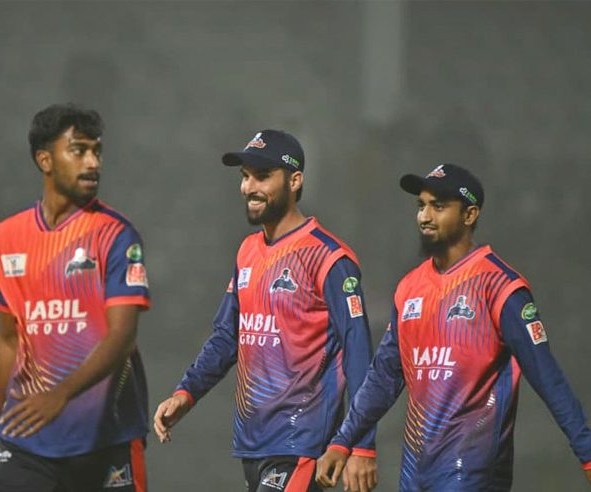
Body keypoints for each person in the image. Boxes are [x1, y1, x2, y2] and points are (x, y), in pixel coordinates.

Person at [316, 164, 591, 491]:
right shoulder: (410, 288)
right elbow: (383, 377)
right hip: (414, 476)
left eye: (439, 206)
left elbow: (548, 377)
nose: (425, 216)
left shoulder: (500, 287)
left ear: (470, 215)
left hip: (473, 474)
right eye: (421, 206)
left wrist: (587, 453)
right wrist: (342, 441)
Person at [153, 130, 378, 492]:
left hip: (303, 446)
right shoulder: (247, 251)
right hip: (254, 445)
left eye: (262, 176)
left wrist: (362, 446)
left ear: (295, 180)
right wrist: (186, 393)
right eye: (245, 177)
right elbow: (227, 337)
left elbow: (358, 353)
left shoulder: (330, 258)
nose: (248, 187)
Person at [0, 104, 150, 492]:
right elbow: (9, 341)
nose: (93, 162)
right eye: (78, 150)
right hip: (28, 439)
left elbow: (122, 336)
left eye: (97, 151)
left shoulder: (116, 235)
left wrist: (61, 395)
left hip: (106, 439)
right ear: (45, 160)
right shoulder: (4, 240)